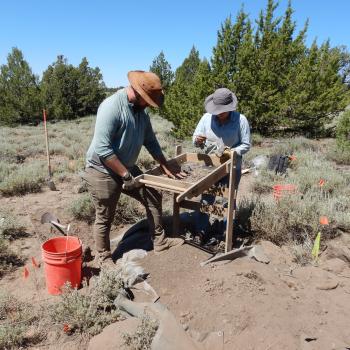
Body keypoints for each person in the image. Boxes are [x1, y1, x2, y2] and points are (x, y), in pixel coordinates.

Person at [82, 70, 184, 266]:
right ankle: (103, 259)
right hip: (101, 169)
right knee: (105, 215)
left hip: (125, 165)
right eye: (148, 101)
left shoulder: (141, 113)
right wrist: (125, 175)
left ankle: (160, 241)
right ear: (138, 94)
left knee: (153, 196)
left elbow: (151, 141)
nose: (149, 106)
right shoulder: (112, 106)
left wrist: (165, 164)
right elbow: (103, 148)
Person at [192, 87, 251, 243]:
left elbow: (246, 145)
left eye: (222, 111)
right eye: (216, 111)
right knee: (206, 199)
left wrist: (231, 152)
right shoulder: (206, 118)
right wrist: (197, 140)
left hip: (232, 167)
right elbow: (195, 138)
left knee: (228, 200)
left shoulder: (240, 120)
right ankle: (201, 231)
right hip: (210, 167)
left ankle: (226, 232)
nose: (219, 114)